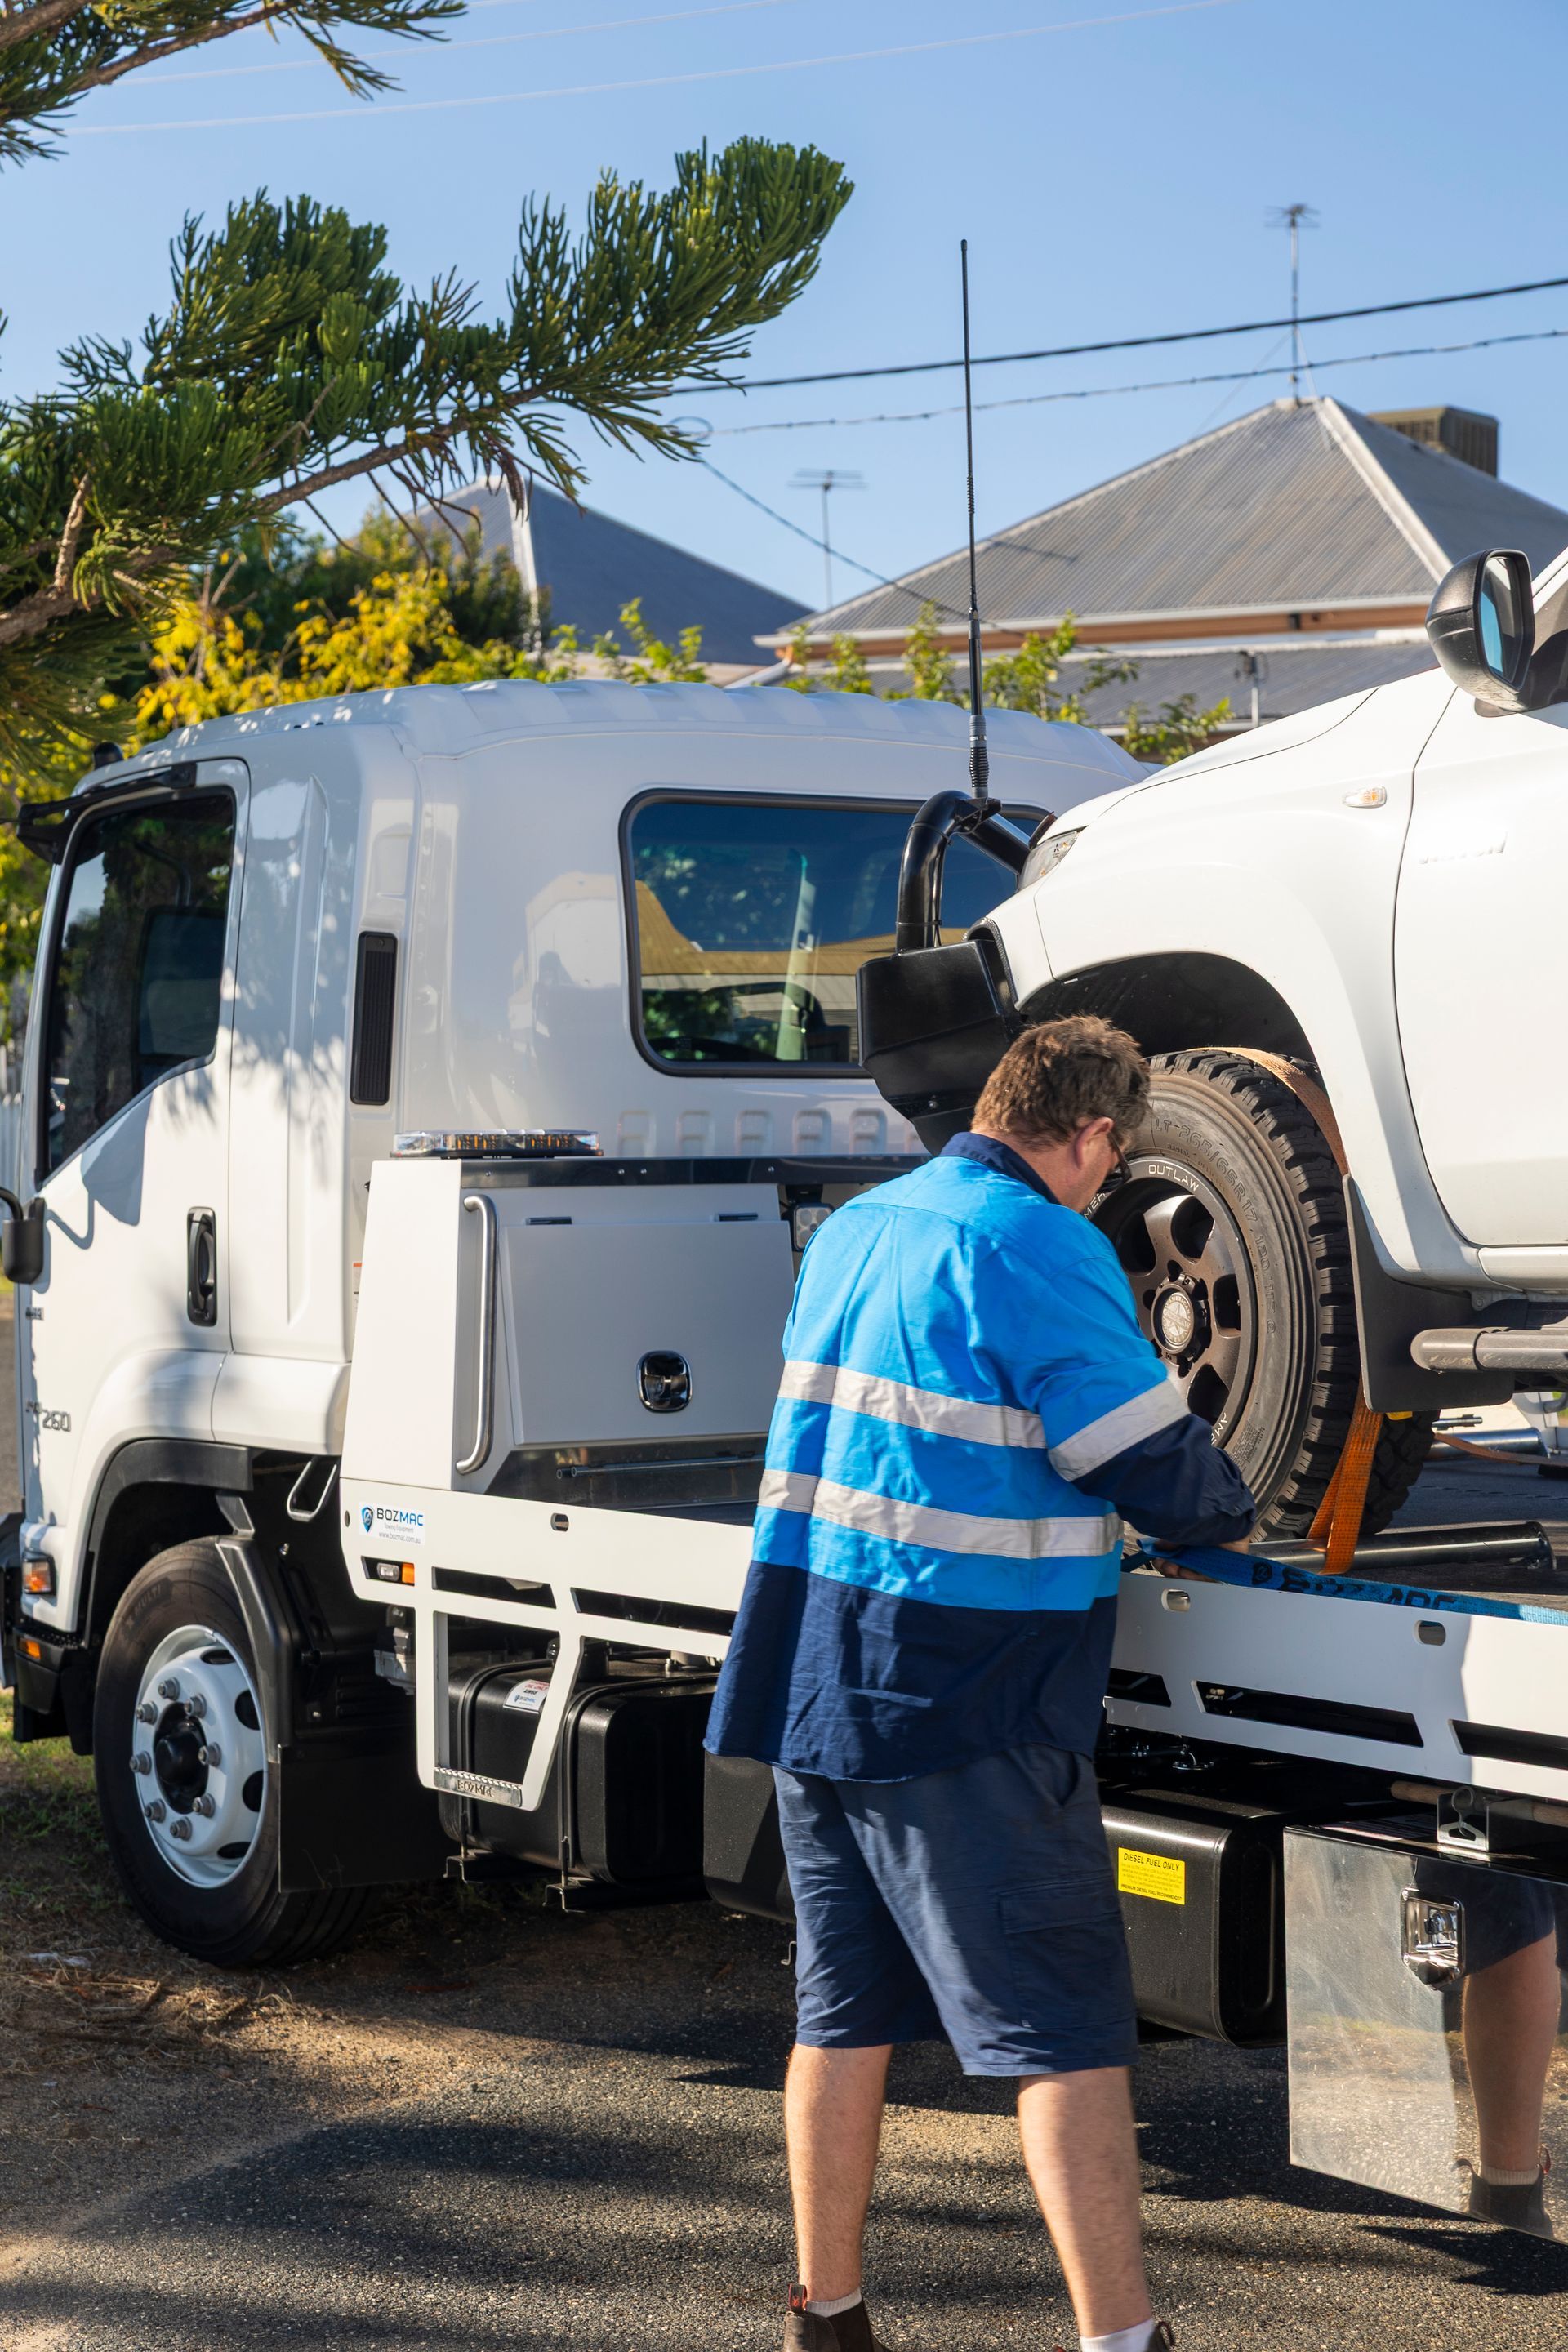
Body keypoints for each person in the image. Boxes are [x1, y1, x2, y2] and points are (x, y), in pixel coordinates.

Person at [706, 1015, 1258, 2352]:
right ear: (1094, 1138)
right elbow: (1155, 1464)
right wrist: (1218, 1506)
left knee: (840, 2014)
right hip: (962, 1692)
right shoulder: (1039, 1243)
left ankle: (826, 2315)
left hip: (810, 1668)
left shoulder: (861, 1226)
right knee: (1065, 2030)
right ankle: (1121, 2342)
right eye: (1107, 1167)